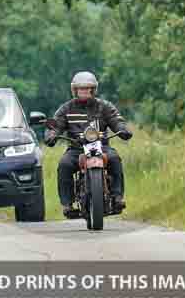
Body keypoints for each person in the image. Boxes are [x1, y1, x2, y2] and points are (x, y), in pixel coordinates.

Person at [44, 71, 133, 216]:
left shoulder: (104, 106)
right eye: (81, 88)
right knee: (64, 165)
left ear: (93, 89)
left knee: (115, 159)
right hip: (76, 149)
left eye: (87, 88)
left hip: (101, 146)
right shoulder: (66, 108)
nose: (84, 91)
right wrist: (51, 135)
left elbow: (117, 120)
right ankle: (67, 204)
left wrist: (122, 129)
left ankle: (117, 197)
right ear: (75, 90)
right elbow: (55, 125)